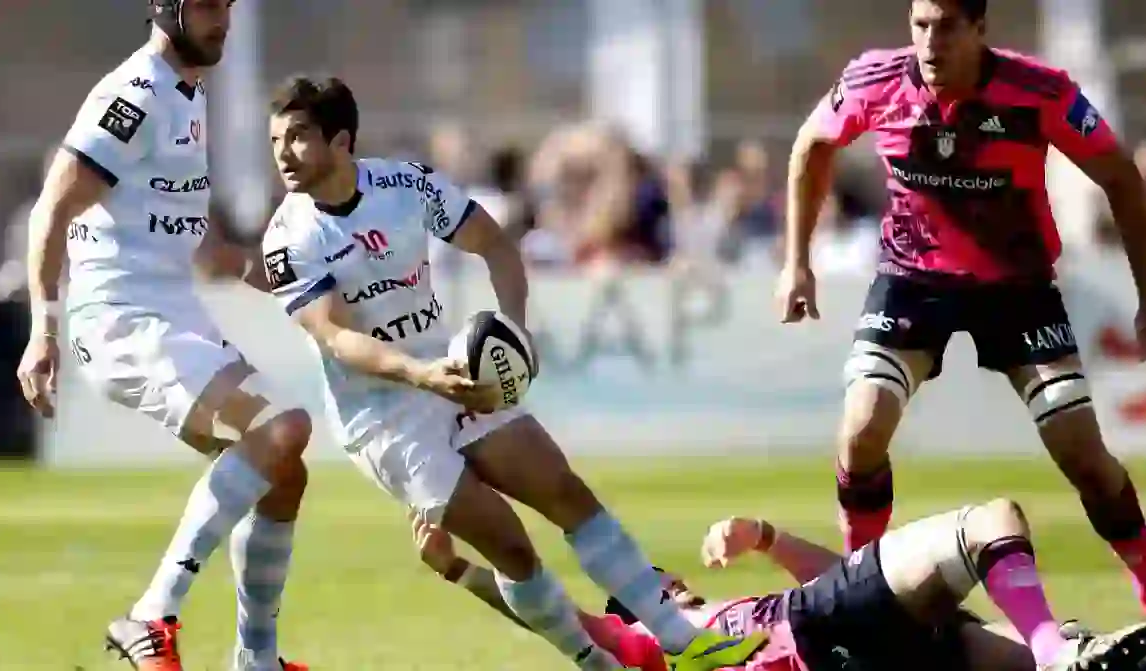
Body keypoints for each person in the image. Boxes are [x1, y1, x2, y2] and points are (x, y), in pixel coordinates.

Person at [259, 75, 767, 671]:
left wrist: (516, 327)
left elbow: (495, 244)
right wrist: (420, 375)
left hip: (454, 375)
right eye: (275, 141)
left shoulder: (403, 184)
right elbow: (336, 336)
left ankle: (684, 644)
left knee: (565, 492)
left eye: (296, 137)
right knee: (512, 549)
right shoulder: (287, 239)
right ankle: (597, 661)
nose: (283, 155)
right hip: (383, 418)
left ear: (341, 140)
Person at [773, 0, 1146, 649]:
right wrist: (795, 260)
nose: (930, 42)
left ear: (980, 29)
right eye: (920, 24)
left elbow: (1120, 178)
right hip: (913, 277)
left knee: (1083, 453)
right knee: (861, 430)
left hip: (1016, 287)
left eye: (947, 26)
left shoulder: (1040, 92)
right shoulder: (876, 79)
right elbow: (811, 145)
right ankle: (865, 598)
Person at [16, 2, 310, 670]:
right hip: (121, 317)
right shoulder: (135, 92)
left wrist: (278, 276)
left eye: (228, 4)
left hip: (174, 312)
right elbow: (52, 207)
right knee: (282, 429)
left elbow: (183, 231)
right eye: (206, 5)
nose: (223, 19)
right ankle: (151, 614)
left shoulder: (188, 94)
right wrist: (44, 328)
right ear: (165, 7)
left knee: (283, 473)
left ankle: (256, 658)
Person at [415, 498, 1146, 671]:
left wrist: (767, 538)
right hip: (817, 634)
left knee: (1077, 655)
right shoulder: (647, 647)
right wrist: (459, 568)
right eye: (648, 583)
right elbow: (549, 612)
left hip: (867, 636)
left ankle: (1062, 651)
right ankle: (1055, 650)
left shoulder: (723, 608)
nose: (665, 578)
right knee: (990, 521)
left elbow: (846, 576)